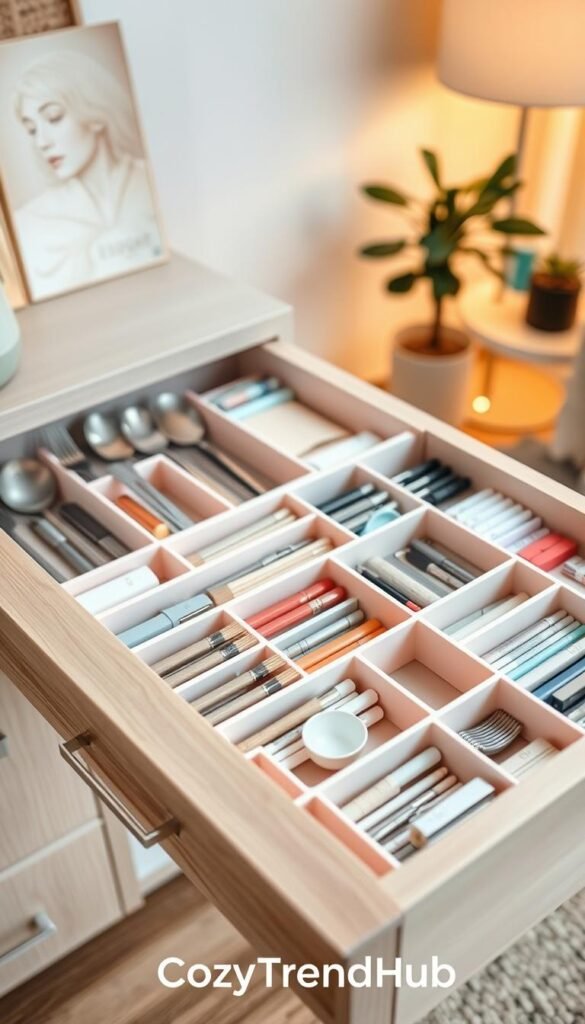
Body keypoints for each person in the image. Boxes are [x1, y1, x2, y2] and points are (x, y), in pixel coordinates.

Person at [12, 48, 163, 299]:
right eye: (31, 129)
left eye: (54, 117)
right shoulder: (29, 221)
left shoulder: (151, 184)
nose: (41, 142)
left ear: (95, 115)